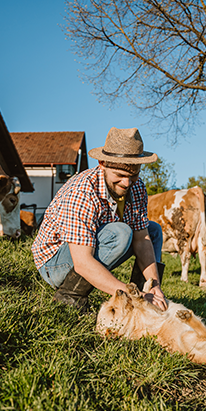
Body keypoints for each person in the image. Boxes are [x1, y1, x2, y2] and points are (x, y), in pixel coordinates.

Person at [31, 127, 167, 314]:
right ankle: (70, 296)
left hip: (89, 247)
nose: (127, 183)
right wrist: (128, 293)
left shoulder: (137, 188)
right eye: (120, 175)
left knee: (153, 230)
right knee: (120, 232)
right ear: (102, 163)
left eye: (133, 175)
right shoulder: (82, 192)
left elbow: (142, 239)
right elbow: (82, 262)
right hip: (54, 263)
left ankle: (147, 298)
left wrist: (154, 284)